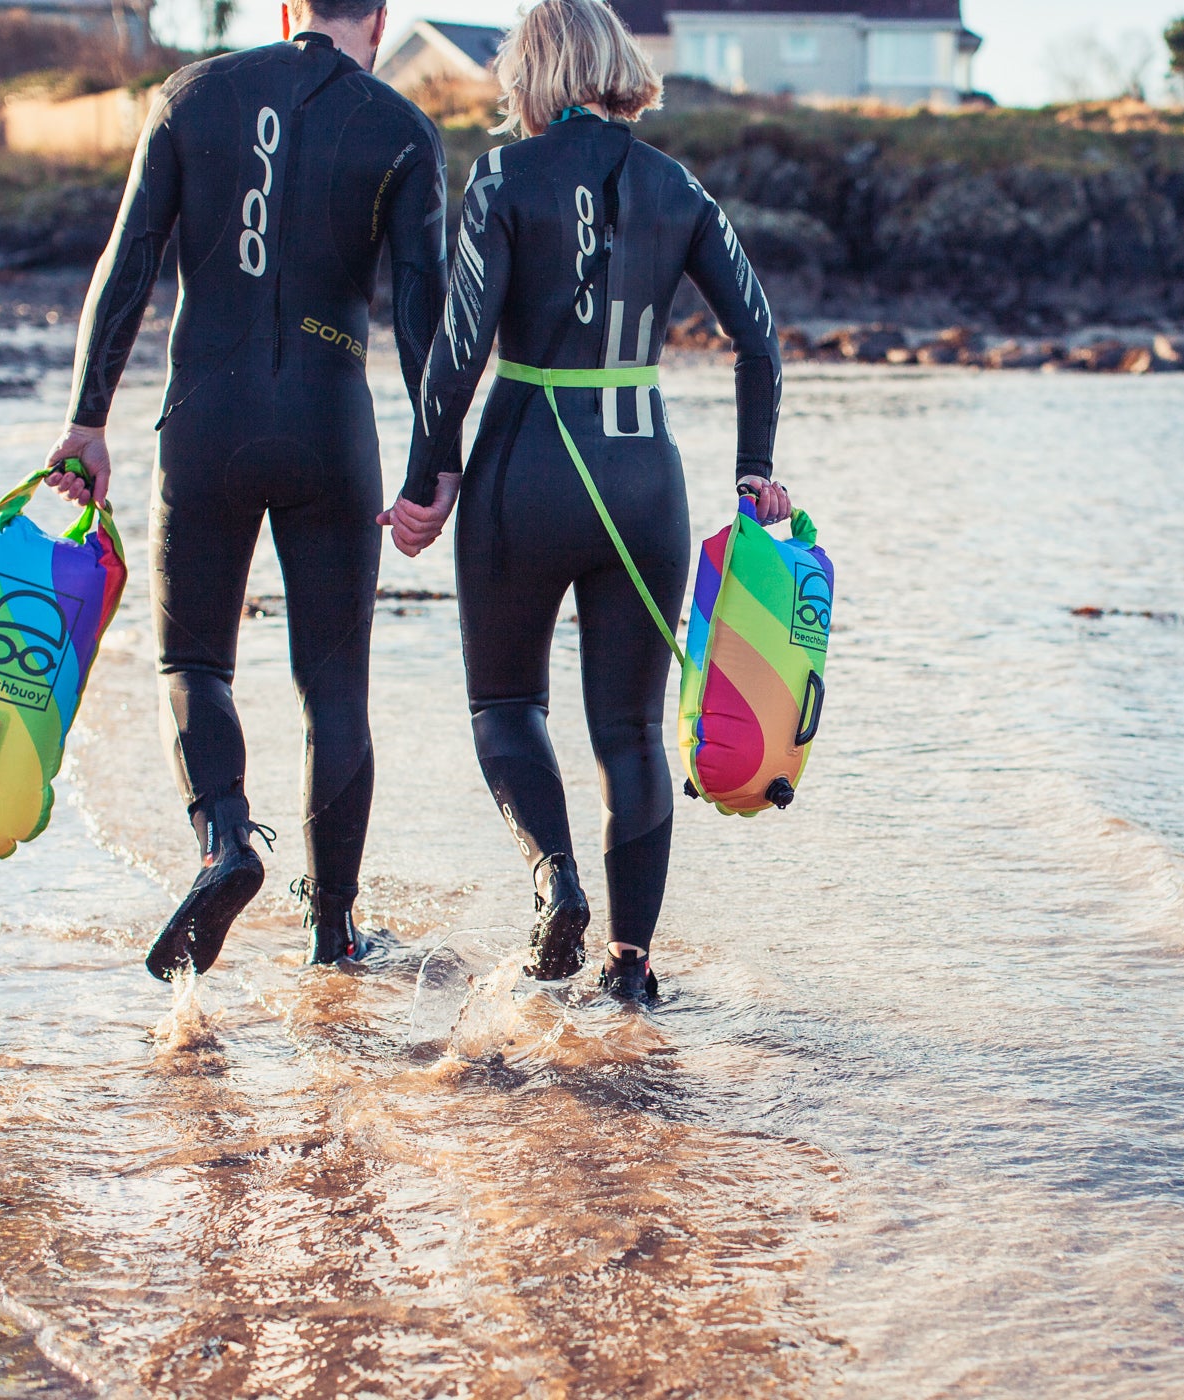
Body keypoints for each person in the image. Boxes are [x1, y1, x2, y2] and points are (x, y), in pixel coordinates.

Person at [381, 0, 789, 1003]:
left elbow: (458, 351)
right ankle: (633, 968)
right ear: (618, 67)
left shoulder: (504, 178)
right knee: (631, 733)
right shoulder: (677, 186)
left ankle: (554, 878)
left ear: (537, 74)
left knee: (506, 702)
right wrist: (754, 475)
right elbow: (761, 338)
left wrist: (428, 475)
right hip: (641, 477)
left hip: (526, 466)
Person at [42, 0, 447, 978]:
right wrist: (434, 468)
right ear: (380, 19)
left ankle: (226, 841)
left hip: (206, 425)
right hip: (331, 429)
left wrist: (88, 418)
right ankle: (333, 932)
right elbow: (429, 314)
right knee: (334, 685)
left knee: (192, 661)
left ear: (285, 9)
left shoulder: (190, 97)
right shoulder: (401, 131)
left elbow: (128, 263)